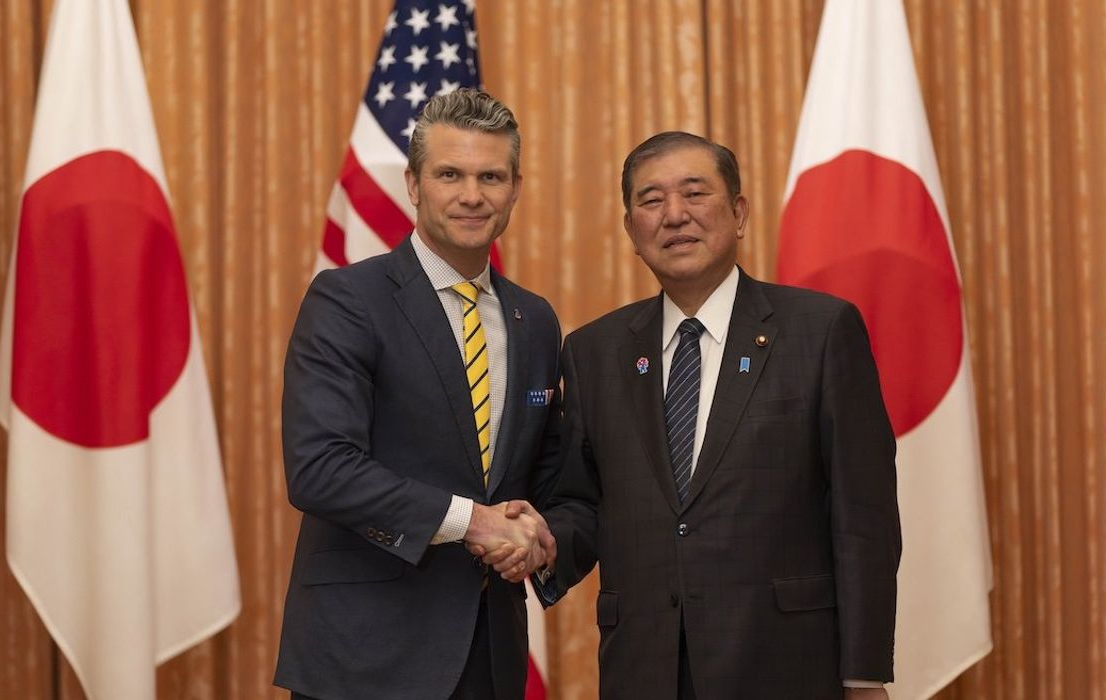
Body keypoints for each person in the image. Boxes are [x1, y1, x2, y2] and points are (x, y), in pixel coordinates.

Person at [492, 131, 902, 699]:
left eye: (694, 193)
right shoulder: (593, 352)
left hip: (786, 664)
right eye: (651, 200)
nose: (674, 215)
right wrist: (544, 541)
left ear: (739, 213)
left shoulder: (821, 331)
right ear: (631, 230)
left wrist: (863, 674)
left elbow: (863, 517)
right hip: (645, 669)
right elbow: (582, 501)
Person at [274, 89, 560, 700]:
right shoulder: (347, 300)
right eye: (449, 174)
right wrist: (473, 522)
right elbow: (320, 469)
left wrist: (537, 533)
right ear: (413, 184)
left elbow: (545, 476)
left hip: (490, 654)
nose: (471, 195)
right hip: (366, 655)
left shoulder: (535, 320)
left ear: (515, 189)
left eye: (491, 177)